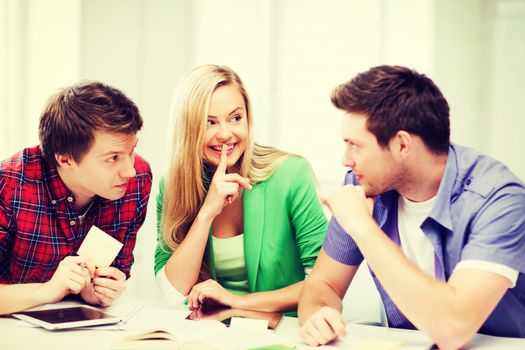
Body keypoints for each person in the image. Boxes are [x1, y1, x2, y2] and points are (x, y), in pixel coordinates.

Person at [298, 65, 525, 349]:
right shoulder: (363, 186)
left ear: (402, 145)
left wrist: (363, 228)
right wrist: (319, 315)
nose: (346, 160)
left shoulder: (499, 200)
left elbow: (453, 329)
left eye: (355, 145)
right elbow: (323, 285)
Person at [155, 64, 327, 313]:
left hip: (282, 329)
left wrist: (238, 302)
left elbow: (323, 284)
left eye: (236, 118)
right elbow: (172, 294)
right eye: (209, 122)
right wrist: (206, 214)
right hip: (213, 332)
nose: (226, 134)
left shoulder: (290, 174)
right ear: (189, 129)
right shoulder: (172, 186)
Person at [0, 81, 152, 315]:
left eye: (131, 151)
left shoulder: (137, 179)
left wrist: (99, 291)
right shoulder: (9, 185)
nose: (129, 170)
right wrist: (49, 290)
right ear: (65, 159)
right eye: (112, 158)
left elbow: (119, 269)